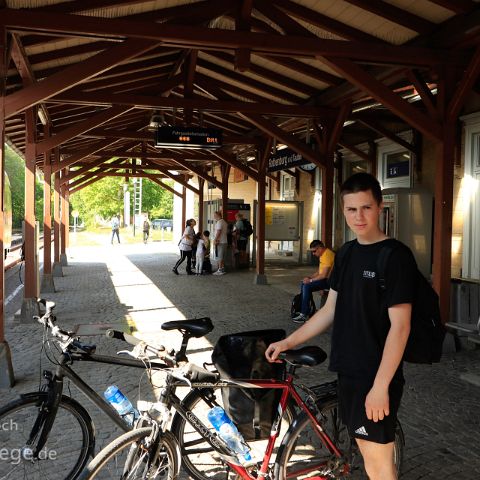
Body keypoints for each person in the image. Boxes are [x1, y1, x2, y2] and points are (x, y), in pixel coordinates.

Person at [266, 173, 416, 480]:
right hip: (348, 371)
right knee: (366, 449)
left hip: (375, 375)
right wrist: (288, 342)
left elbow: (400, 328)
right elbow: (329, 310)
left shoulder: (395, 256)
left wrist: (380, 386)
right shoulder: (346, 253)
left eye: (366, 208)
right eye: (351, 209)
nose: (359, 217)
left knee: (378, 462)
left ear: (379, 207)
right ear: (343, 210)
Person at [292, 240, 335, 323]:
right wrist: (309, 277)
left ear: (320, 248)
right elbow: (319, 272)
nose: (313, 254)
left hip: (330, 281)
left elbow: (324, 275)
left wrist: (310, 280)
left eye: (314, 251)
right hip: (326, 280)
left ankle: (304, 314)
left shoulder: (327, 255)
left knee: (307, 286)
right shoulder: (323, 255)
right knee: (304, 284)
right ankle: (307, 310)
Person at [213, 211, 228, 275]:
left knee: (220, 256)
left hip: (220, 241)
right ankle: (222, 268)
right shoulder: (224, 221)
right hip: (224, 241)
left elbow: (218, 231)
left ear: (217, 215)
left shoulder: (219, 222)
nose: (213, 216)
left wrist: (215, 239)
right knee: (222, 256)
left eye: (214, 215)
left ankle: (220, 270)